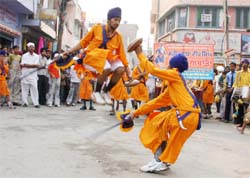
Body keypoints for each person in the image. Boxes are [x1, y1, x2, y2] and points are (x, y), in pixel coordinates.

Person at [124, 40, 201, 173]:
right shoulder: (173, 87)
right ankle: (161, 160)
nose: (166, 66)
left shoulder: (175, 74)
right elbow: (155, 103)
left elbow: (153, 70)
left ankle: (159, 161)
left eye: (168, 64)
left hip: (185, 115)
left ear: (173, 66)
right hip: (189, 116)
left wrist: (139, 52)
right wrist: (134, 114)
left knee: (156, 123)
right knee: (163, 130)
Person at [66, 7, 134, 105]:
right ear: (108, 20)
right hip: (91, 58)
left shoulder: (118, 37)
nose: (117, 23)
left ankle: (106, 91)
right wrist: (69, 51)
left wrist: (128, 72)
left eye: (119, 21)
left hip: (105, 59)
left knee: (120, 69)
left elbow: (122, 56)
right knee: (106, 67)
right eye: (115, 20)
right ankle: (96, 92)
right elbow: (83, 43)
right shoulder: (97, 28)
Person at [20, 42, 40, 108]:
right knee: (24, 89)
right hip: (25, 74)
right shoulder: (24, 55)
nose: (31, 48)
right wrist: (32, 65)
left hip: (33, 75)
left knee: (34, 89)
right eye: (30, 47)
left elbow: (36, 65)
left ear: (34, 48)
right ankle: (24, 102)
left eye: (32, 47)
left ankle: (36, 103)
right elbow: (23, 65)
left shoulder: (37, 56)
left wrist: (27, 65)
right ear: (28, 48)